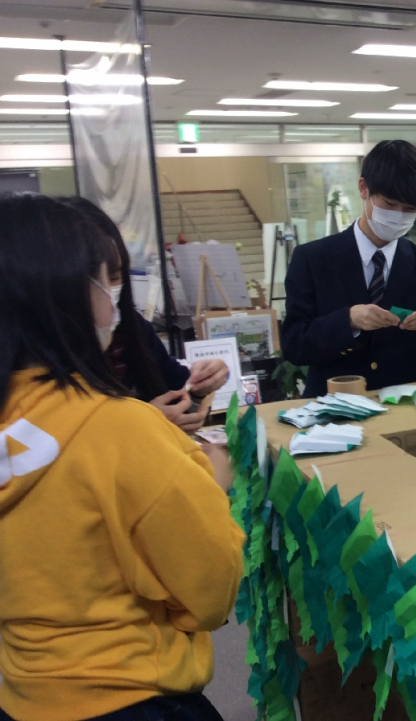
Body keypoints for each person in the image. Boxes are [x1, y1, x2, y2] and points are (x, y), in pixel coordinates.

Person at [0, 193, 244, 720]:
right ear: (61, 294)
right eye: (103, 281)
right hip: (135, 693)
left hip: (24, 694)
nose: (114, 299)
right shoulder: (118, 429)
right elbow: (210, 590)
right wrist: (210, 483)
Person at [282, 140, 416, 395]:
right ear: (364, 188)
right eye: (390, 204)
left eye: (410, 209)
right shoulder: (312, 259)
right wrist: (348, 320)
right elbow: (294, 345)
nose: (399, 216)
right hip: (331, 406)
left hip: (402, 406)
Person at [60, 197, 230, 434]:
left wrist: (200, 387)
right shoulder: (40, 367)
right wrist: (142, 425)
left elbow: (177, 392)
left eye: (116, 277)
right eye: (97, 280)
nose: (109, 293)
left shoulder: (132, 330)